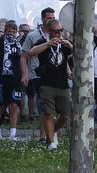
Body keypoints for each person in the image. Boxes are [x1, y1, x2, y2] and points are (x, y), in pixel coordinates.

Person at [28, 19, 73, 149]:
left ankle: (52, 131)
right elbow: (31, 52)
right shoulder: (43, 42)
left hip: (63, 83)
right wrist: (48, 44)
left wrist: (70, 46)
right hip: (47, 83)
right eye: (57, 31)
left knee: (65, 115)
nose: (60, 33)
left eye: (61, 30)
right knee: (49, 113)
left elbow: (80, 52)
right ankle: (51, 142)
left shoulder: (64, 43)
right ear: (50, 31)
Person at [0, 5, 27, 140]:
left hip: (15, 78)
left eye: (13, 31)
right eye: (8, 30)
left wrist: (24, 74)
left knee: (14, 105)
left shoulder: (19, 44)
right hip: (1, 78)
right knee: (0, 106)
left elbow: (23, 58)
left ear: (16, 32)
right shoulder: (0, 41)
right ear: (4, 31)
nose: (10, 32)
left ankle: (12, 134)